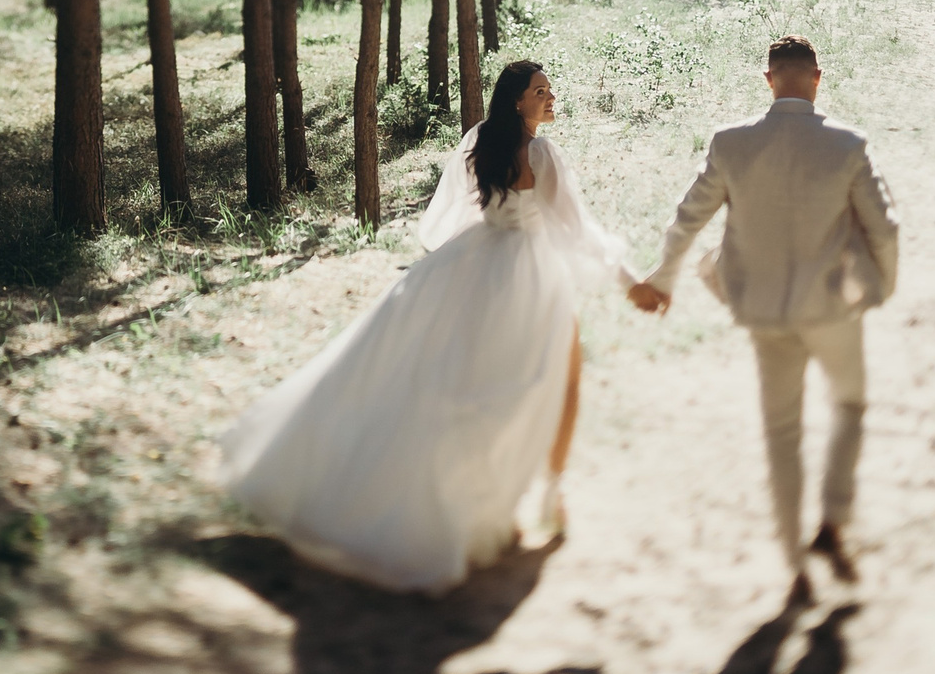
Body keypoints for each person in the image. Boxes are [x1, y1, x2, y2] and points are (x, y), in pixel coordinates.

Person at [217, 61, 640, 594]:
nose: (551, 98)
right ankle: (525, 501)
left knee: (462, 386)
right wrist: (629, 280)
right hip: (526, 273)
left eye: (551, 90)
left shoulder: (480, 139)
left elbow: (445, 219)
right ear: (517, 101)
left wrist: (462, 262)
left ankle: (495, 504)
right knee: (534, 383)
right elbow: (577, 229)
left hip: (475, 260)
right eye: (541, 92)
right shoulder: (540, 152)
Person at [630, 35, 900, 602]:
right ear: (817, 78)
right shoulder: (848, 146)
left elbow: (688, 218)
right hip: (832, 309)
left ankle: (794, 563)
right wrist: (883, 286)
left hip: (764, 312)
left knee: (782, 431)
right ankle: (833, 518)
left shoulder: (733, 145)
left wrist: (664, 277)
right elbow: (885, 227)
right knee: (849, 403)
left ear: (769, 79)